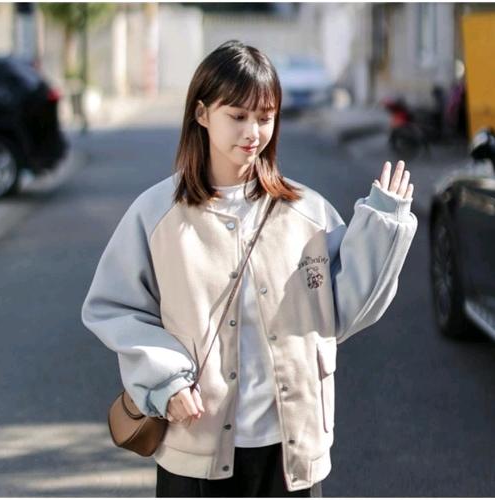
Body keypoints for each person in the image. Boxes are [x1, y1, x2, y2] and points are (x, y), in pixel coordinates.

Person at [81, 39, 417, 497]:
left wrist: (383, 227)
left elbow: (342, 311)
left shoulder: (308, 212)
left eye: (265, 117)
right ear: (202, 114)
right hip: (196, 446)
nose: (253, 132)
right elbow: (114, 308)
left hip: (293, 449)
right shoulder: (156, 214)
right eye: (237, 116)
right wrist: (165, 380)